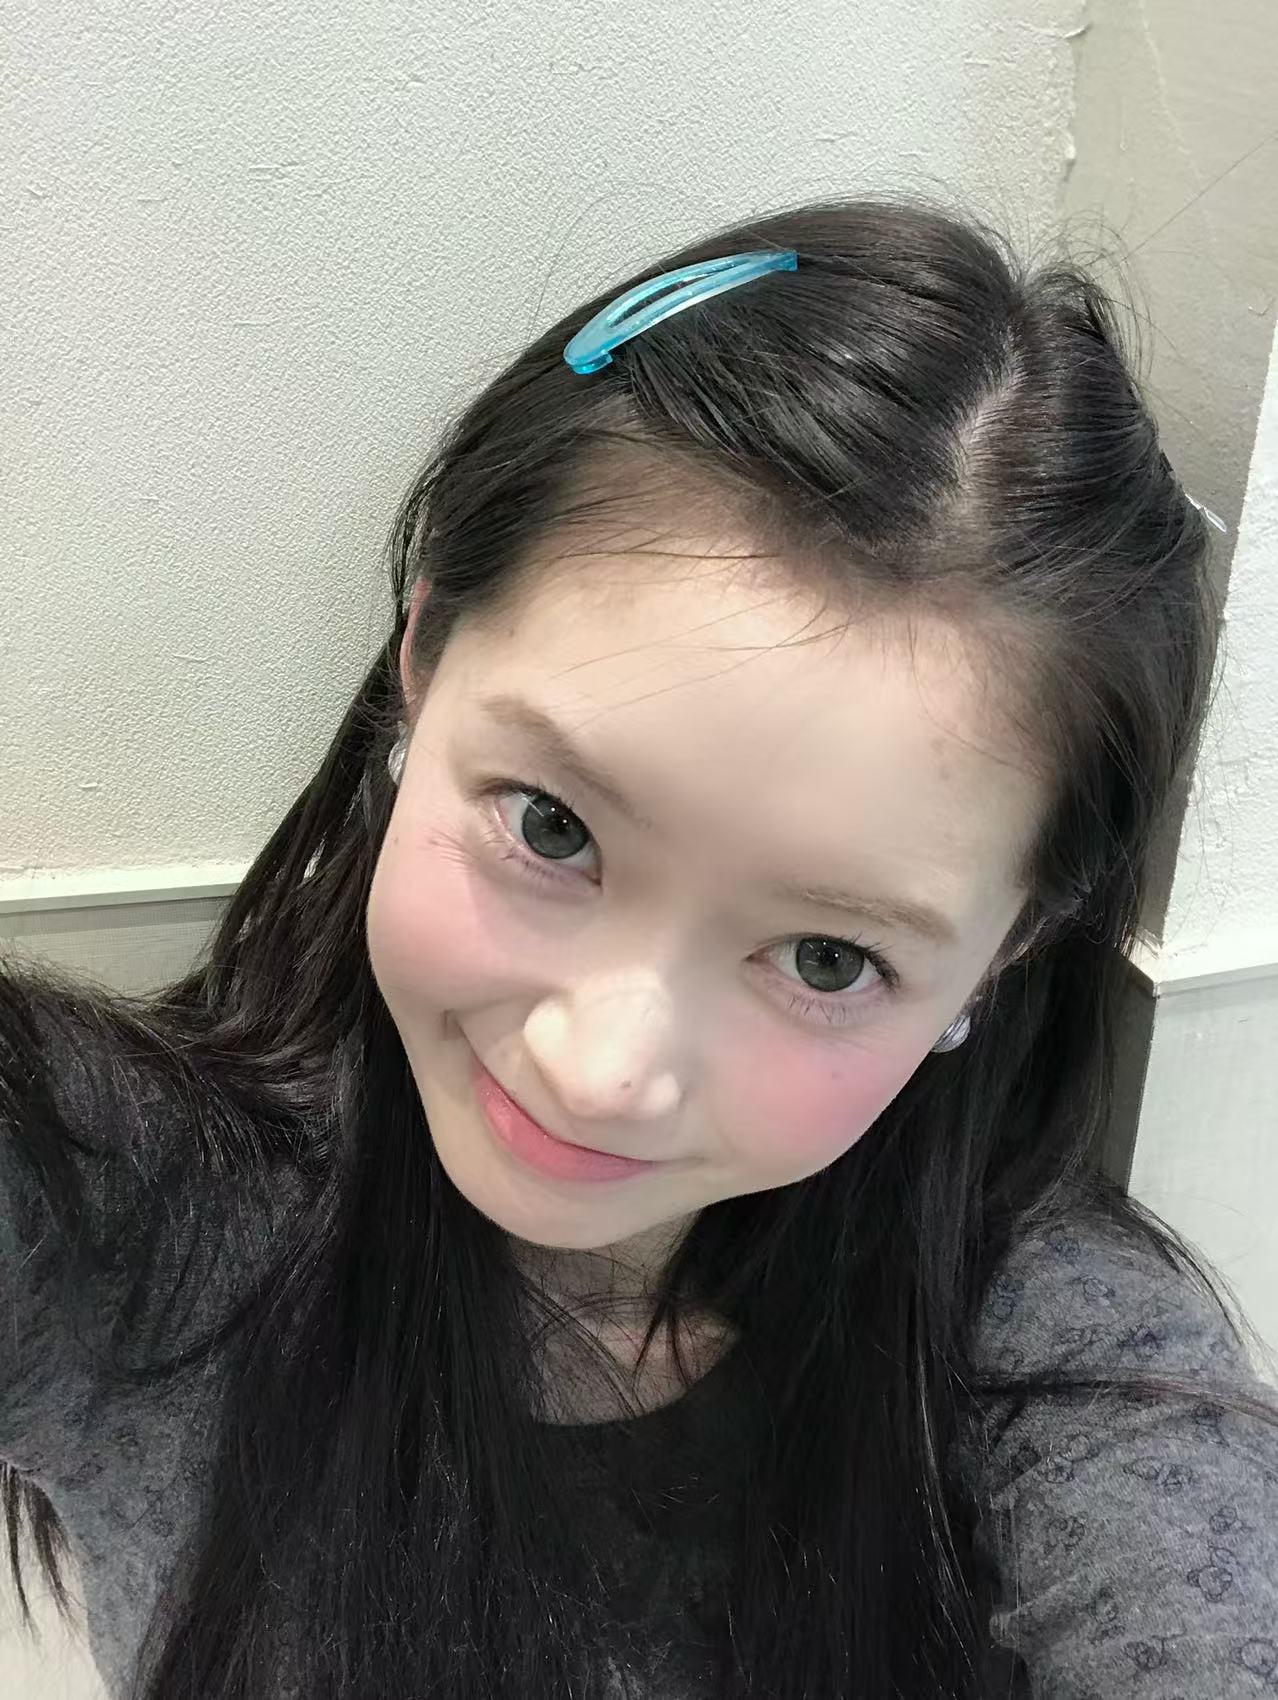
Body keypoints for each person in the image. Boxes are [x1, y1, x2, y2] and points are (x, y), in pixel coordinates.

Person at [2, 194, 1276, 1700]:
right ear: (423, 660)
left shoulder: (1064, 1361)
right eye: (551, 828)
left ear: (1005, 954)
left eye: (825, 959)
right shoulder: (131, 1212)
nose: (603, 1071)